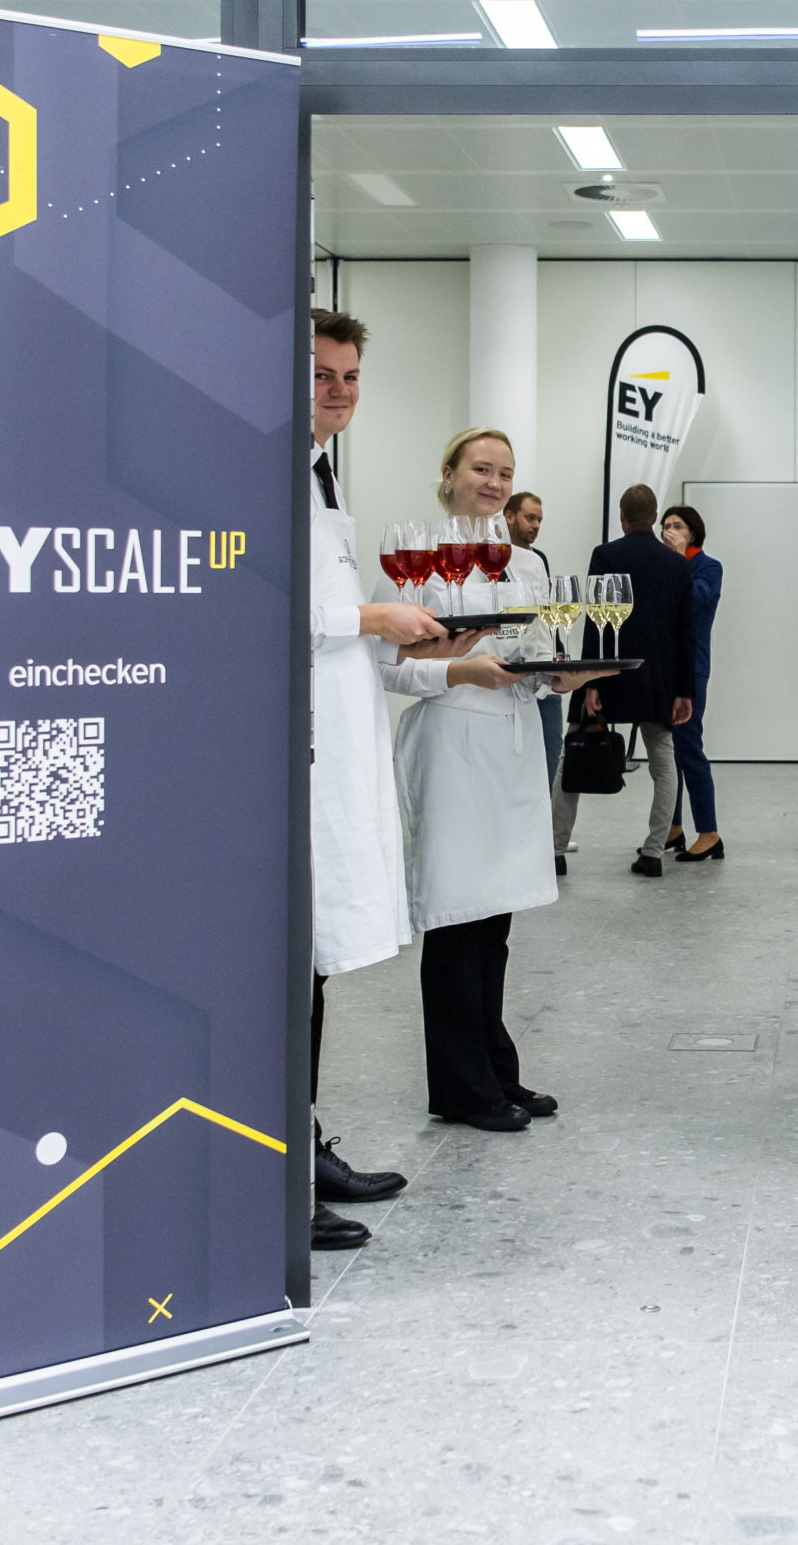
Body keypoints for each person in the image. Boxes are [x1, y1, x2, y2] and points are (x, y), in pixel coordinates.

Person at [380, 429, 612, 1131]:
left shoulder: (527, 564)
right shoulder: (415, 557)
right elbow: (388, 666)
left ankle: (495, 1070)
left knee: (495, 919)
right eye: (481, 468)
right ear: (448, 473)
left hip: (512, 746)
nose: (494, 482)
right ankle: (462, 1087)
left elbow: (533, 659)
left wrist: (562, 679)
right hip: (451, 743)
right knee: (457, 914)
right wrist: (460, 670)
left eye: (505, 472)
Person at [305, 310, 449, 1249]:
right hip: (300, 745)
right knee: (289, 968)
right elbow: (272, 597)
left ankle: (302, 1144)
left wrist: (404, 636)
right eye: (323, 374)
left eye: (351, 376)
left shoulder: (322, 470)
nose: (340, 390)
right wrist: (374, 617)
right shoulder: (259, 467)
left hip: (339, 734)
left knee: (311, 967)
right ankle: (277, 1171)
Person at [555, 484, 695, 877]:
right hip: (658, 680)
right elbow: (687, 635)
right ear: (654, 518)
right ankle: (653, 853)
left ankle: (555, 850)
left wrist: (589, 681)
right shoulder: (678, 564)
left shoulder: (606, 555)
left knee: (573, 756)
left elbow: (595, 621)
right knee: (664, 764)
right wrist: (685, 691)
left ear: (622, 516)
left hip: (608, 672)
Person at [659, 503, 723, 862]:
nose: (669, 531)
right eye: (665, 525)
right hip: (665, 669)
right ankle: (673, 828)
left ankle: (709, 833)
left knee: (689, 750)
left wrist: (680, 559)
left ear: (693, 532)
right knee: (668, 753)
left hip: (691, 669)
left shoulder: (708, 567)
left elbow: (697, 601)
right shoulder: (667, 566)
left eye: (677, 526)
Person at [504, 491, 563, 787]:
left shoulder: (539, 560)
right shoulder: (493, 561)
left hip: (544, 667)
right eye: (530, 518)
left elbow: (546, 612)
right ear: (509, 516)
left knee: (551, 751)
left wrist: (557, 652)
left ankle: (544, 815)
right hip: (511, 670)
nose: (536, 525)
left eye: (539, 519)